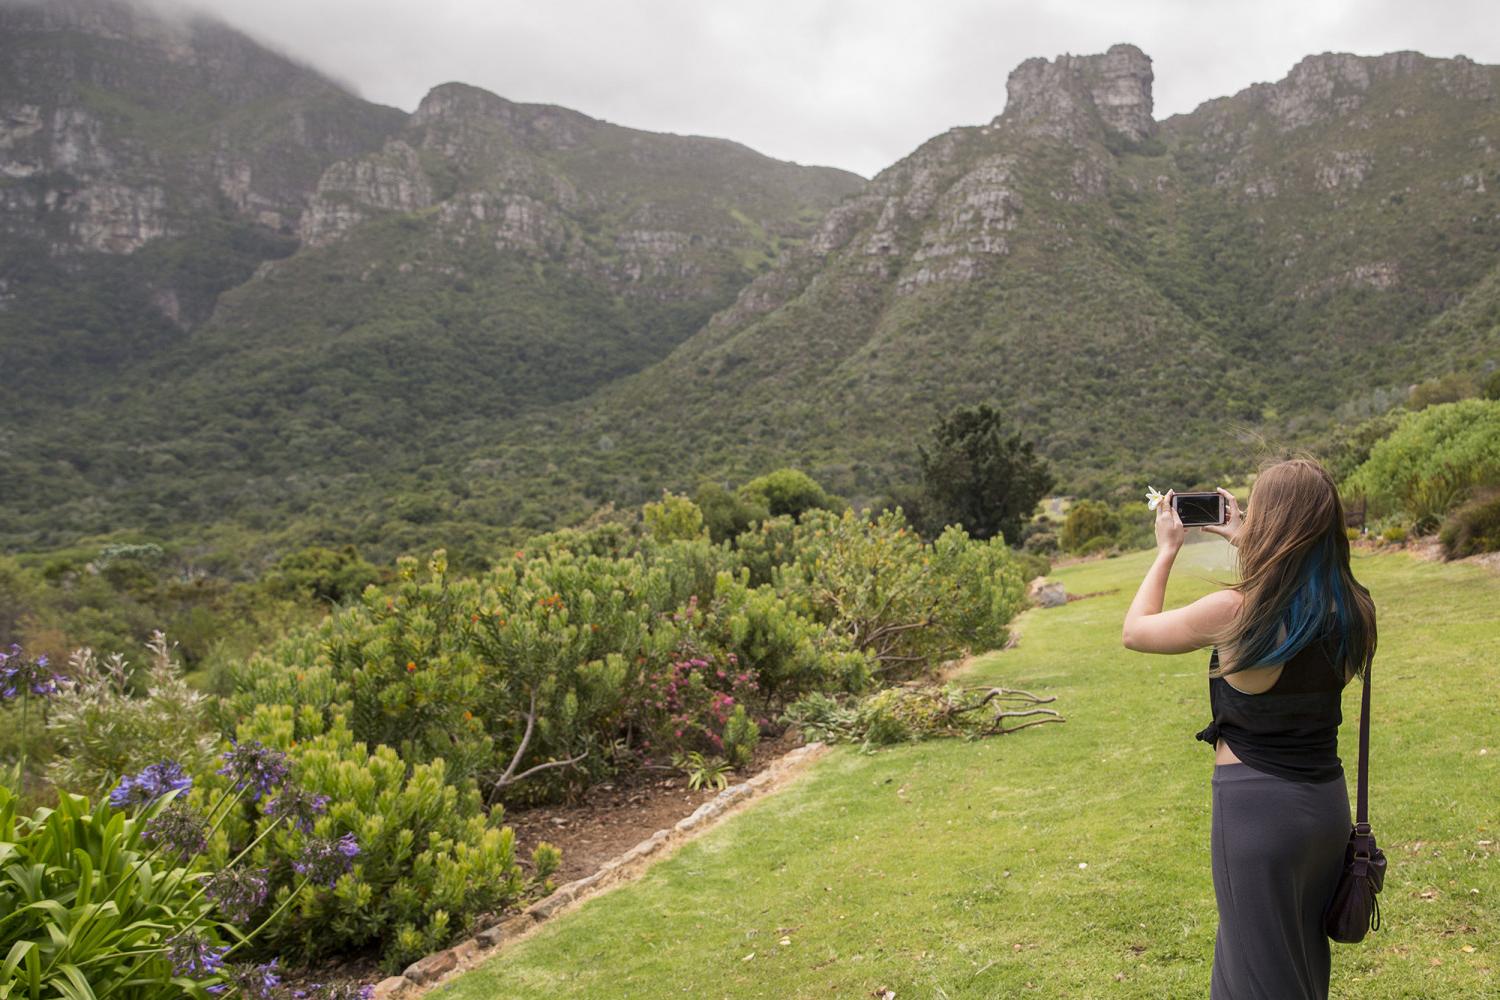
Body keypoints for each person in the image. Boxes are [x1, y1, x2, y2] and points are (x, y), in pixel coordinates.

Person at [1119, 458, 1377, 1000]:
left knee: (1254, 976)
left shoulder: (1235, 611)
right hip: (1326, 808)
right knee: (1300, 965)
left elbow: (1137, 631)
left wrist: (1167, 549)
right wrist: (1248, 542)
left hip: (1257, 814)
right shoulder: (1353, 608)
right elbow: (1295, 597)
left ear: (1273, 524)